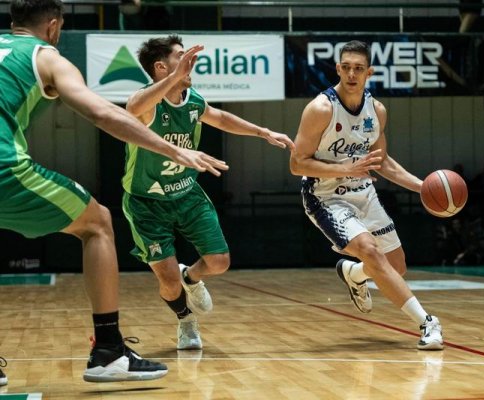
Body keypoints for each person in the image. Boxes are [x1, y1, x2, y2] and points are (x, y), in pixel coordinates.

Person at [0, 0, 228, 383]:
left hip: (179, 196)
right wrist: (174, 149)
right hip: (6, 168)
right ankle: (108, 351)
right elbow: (104, 114)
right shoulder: (46, 56)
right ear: (54, 27)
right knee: (98, 223)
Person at [122, 35, 295, 350]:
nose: (189, 59)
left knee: (219, 262)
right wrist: (174, 78)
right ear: (161, 67)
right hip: (146, 202)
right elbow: (132, 108)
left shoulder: (192, 99)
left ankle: (193, 278)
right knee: (168, 280)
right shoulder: (146, 102)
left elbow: (220, 118)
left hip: (187, 194)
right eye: (180, 55)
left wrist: (262, 131)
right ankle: (186, 321)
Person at [290, 40, 443, 350]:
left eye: (358, 68)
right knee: (371, 251)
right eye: (346, 67)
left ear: (369, 72)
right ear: (337, 68)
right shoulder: (321, 109)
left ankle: (354, 274)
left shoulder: (377, 111)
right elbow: (296, 163)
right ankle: (428, 323)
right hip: (325, 195)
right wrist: (347, 167)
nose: (351, 74)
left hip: (363, 192)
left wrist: (424, 188)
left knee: (395, 267)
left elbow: (382, 163)